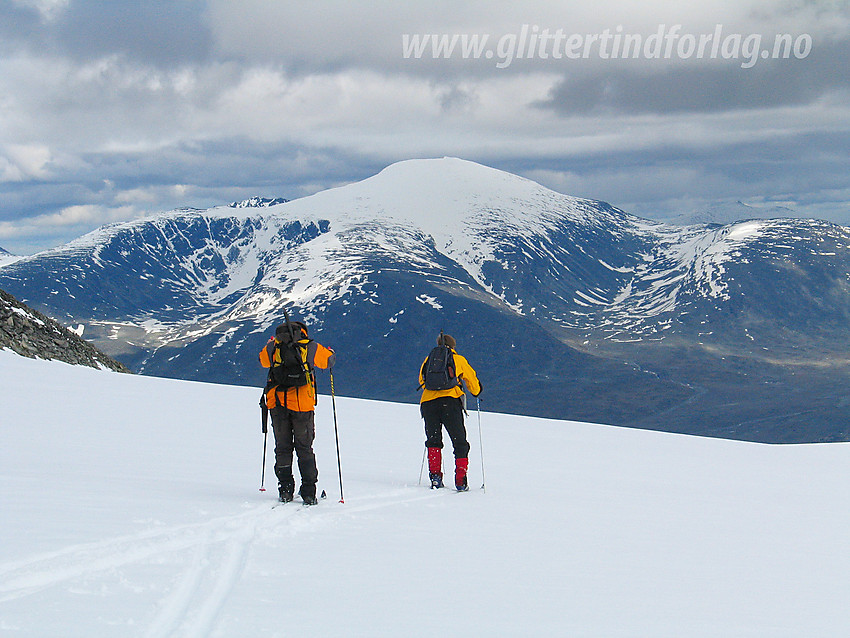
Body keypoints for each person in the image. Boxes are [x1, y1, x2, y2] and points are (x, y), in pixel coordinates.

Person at [259, 320, 335, 505]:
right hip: (302, 405)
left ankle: (285, 490)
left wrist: (270, 344)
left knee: (283, 447)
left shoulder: (274, 347)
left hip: (276, 403)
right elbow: (329, 361)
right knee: (304, 448)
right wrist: (331, 352)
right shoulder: (310, 347)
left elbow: (262, 360)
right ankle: (309, 492)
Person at [418, 333, 482, 491]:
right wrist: (477, 391)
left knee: (433, 441)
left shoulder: (429, 359)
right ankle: (461, 480)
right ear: (453, 346)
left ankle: (435, 478)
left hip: (428, 403)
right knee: (459, 441)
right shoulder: (458, 359)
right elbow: (472, 380)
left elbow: (422, 380)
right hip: (450, 402)